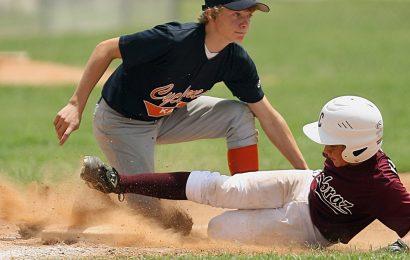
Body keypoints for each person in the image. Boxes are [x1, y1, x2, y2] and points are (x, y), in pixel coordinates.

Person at [53, 0, 308, 232]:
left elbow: (269, 117)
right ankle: (101, 191)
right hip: (121, 123)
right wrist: (76, 104)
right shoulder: (173, 39)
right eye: (236, 14)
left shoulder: (235, 60)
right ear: (212, 14)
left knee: (239, 114)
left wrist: (305, 174)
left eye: (249, 16)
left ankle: (247, 201)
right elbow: (105, 49)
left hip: (167, 115)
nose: (244, 22)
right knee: (159, 221)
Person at [81, 96, 409, 250]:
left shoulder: (382, 186)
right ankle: (116, 181)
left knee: (221, 228)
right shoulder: (348, 156)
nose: (325, 150)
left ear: (357, 147)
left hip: (312, 229)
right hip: (305, 184)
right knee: (222, 188)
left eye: (332, 145)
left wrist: (399, 249)